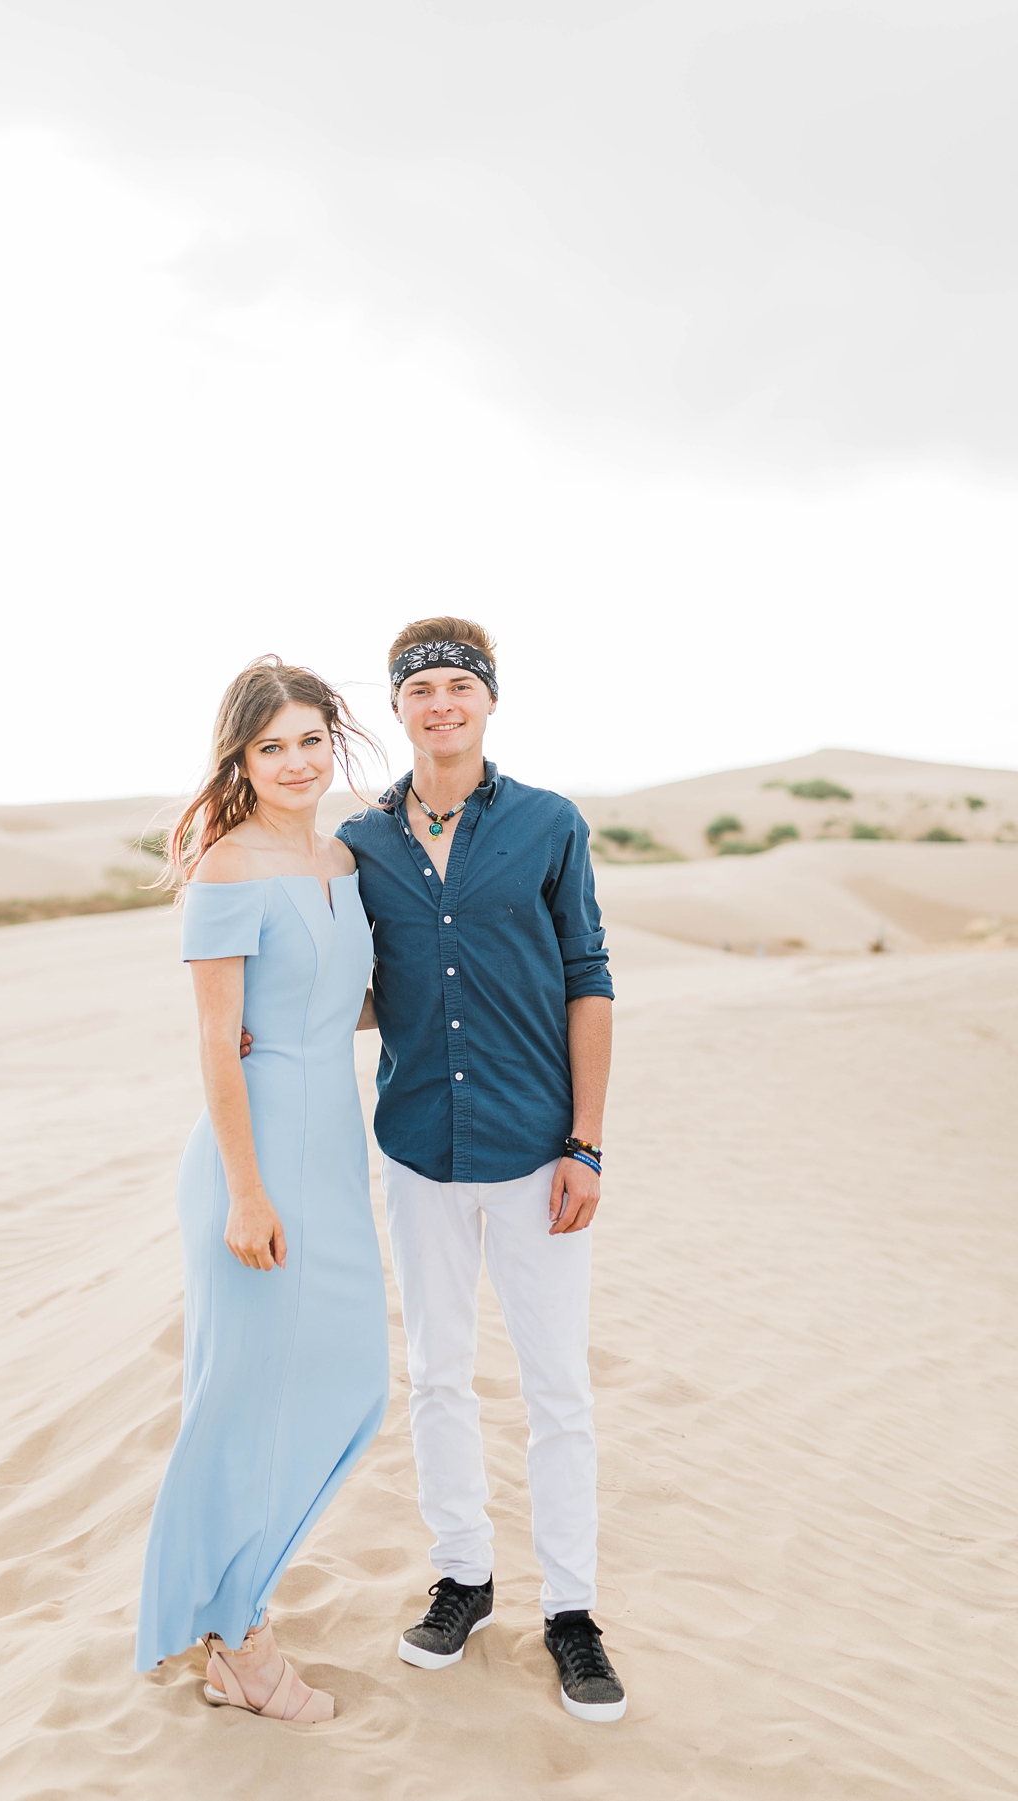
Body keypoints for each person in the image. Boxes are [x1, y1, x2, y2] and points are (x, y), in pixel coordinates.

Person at [335, 617, 626, 1724]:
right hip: (418, 1149)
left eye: (461, 686)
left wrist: (587, 1139)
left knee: (557, 1389)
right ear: (400, 709)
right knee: (439, 1375)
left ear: (489, 703)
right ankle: (462, 1574)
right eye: (422, 689)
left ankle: (573, 1612)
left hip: (539, 1154)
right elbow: (362, 988)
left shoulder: (549, 825)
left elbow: (588, 976)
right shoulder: (362, 842)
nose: (441, 704)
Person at [135, 656, 389, 1724]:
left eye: (310, 740)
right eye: (270, 745)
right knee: (240, 1396)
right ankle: (234, 1637)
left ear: (336, 741)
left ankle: (232, 1603)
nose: (295, 761)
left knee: (352, 1380)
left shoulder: (341, 855)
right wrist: (246, 1192)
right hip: (258, 1161)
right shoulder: (227, 865)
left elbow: (346, 1005)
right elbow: (215, 1038)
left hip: (335, 1144)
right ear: (239, 756)